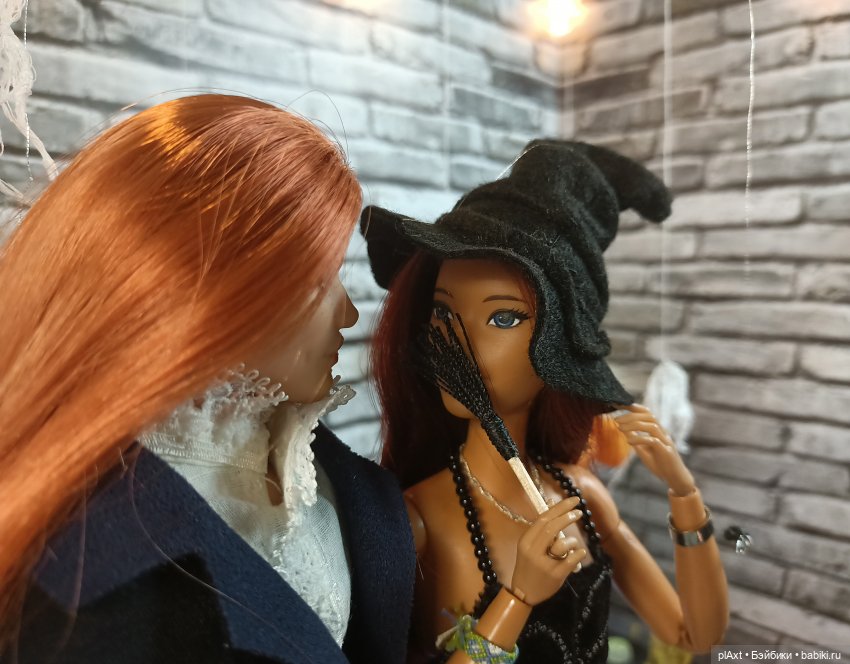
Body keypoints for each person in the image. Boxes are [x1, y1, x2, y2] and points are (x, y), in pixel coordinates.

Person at [0, 94, 416, 664]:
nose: (347, 313)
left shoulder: (339, 488)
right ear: (204, 294)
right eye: (319, 283)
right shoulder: (82, 563)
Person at [360, 139, 729, 663]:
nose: (458, 344)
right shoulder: (419, 519)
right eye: (443, 314)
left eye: (503, 317)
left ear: (558, 352)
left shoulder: (582, 495)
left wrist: (684, 495)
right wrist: (517, 600)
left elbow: (697, 634)